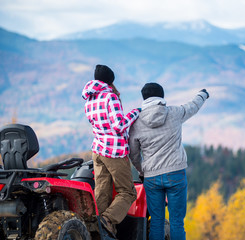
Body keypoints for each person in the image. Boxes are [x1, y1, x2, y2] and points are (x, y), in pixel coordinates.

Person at [129, 83, 209, 240]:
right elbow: (193, 106)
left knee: (157, 222)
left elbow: (134, 153)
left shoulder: (136, 123)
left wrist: (141, 170)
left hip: (151, 177)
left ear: (144, 98)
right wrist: (203, 94)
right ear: (162, 96)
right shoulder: (174, 113)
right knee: (177, 222)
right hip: (175, 174)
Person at [82, 64, 140, 237]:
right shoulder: (110, 97)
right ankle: (108, 220)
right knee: (128, 192)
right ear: (110, 80)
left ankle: (95, 227)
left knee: (102, 190)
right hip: (114, 150)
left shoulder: (89, 99)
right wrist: (136, 112)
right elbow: (119, 124)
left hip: (98, 149)